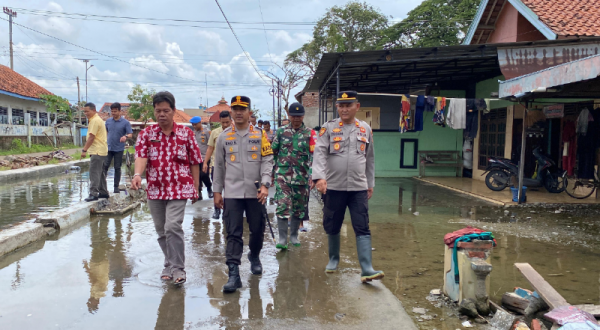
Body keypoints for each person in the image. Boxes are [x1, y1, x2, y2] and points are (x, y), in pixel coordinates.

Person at [312, 91, 384, 283]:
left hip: (358, 187)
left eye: (348, 105)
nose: (344, 109)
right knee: (332, 224)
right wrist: (319, 178)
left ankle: (367, 268)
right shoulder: (328, 128)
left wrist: (370, 183)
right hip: (333, 187)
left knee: (362, 225)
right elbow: (319, 153)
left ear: (357, 107)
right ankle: (334, 259)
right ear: (337, 107)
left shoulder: (365, 129)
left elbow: (370, 158)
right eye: (341, 105)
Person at [131, 91, 202, 285]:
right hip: (155, 189)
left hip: (180, 188)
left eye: (166, 111)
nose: (161, 114)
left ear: (174, 111)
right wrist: (138, 175)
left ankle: (178, 268)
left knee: (173, 226)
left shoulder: (185, 133)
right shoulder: (147, 134)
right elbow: (141, 156)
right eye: (158, 111)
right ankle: (169, 263)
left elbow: (195, 161)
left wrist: (195, 187)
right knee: (161, 230)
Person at [213, 95, 273, 293]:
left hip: (256, 191)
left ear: (249, 112)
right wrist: (217, 192)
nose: (238, 112)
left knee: (257, 229)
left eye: (242, 108)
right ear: (231, 111)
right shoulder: (223, 137)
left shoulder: (260, 135)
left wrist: (265, 185)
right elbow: (219, 167)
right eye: (235, 108)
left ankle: (254, 256)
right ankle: (234, 274)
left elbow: (267, 160)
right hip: (232, 192)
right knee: (233, 232)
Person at [271, 102, 314, 249]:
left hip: (301, 177)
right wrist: (271, 174)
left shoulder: (309, 133)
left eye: (299, 116)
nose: (296, 119)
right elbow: (273, 152)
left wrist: (313, 176)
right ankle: (282, 239)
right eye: (293, 116)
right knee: (282, 205)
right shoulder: (281, 132)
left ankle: (294, 235)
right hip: (282, 176)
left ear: (303, 116)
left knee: (298, 208)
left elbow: (314, 156)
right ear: (289, 116)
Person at [203, 111, 232, 219]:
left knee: (229, 190)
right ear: (219, 121)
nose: (225, 125)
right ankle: (216, 211)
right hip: (217, 165)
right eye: (223, 122)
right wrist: (205, 162)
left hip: (231, 166)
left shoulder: (235, 132)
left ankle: (227, 211)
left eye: (227, 122)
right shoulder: (215, 133)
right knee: (217, 188)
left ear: (231, 121)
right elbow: (210, 148)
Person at [81, 102, 109, 202]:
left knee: (94, 172)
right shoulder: (97, 120)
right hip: (101, 150)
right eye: (84, 111)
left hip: (97, 150)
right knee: (100, 172)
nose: (86, 113)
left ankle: (93, 193)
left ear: (93, 110)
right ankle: (103, 192)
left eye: (87, 111)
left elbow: (91, 137)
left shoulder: (94, 121)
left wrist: (84, 150)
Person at [103, 102, 133, 193]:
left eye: (115, 111)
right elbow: (106, 132)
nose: (114, 113)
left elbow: (130, 134)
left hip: (119, 149)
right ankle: (102, 187)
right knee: (104, 167)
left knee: (117, 167)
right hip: (108, 148)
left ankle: (116, 186)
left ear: (120, 111)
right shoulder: (108, 121)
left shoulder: (125, 123)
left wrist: (126, 137)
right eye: (112, 111)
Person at [190, 116, 213, 200]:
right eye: (193, 125)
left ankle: (209, 188)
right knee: (196, 176)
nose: (194, 126)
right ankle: (198, 193)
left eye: (196, 124)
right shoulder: (192, 133)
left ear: (200, 123)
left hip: (204, 157)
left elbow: (210, 145)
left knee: (204, 174)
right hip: (195, 158)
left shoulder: (206, 132)